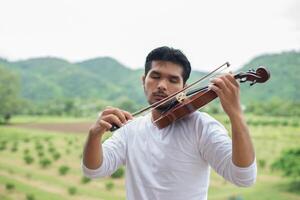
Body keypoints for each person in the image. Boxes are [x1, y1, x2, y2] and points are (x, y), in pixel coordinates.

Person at [82, 46, 257, 200]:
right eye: (155, 76)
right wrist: (94, 134)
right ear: (144, 81)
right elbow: (94, 170)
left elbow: (244, 177)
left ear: (184, 88)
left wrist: (236, 115)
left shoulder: (201, 126)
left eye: (173, 80)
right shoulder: (130, 129)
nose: (162, 86)